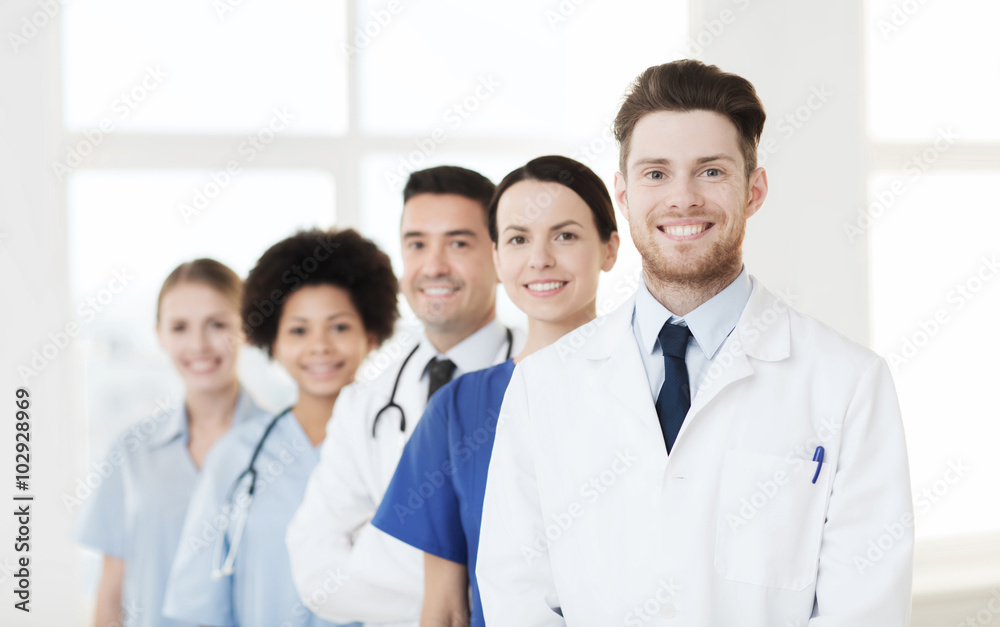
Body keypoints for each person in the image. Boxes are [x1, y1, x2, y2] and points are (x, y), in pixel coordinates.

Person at [477, 60, 914, 625]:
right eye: (656, 174)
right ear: (625, 194)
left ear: (754, 190)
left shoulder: (848, 383)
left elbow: (864, 609)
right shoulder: (544, 385)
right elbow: (517, 593)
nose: (682, 199)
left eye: (710, 172)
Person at [372, 155, 619, 627]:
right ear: (498, 258)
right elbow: (445, 609)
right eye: (518, 239)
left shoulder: (659, 386)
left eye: (565, 235)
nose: (540, 258)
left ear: (609, 249)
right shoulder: (459, 410)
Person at [285, 166, 523, 626]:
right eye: (416, 244)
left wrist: (379, 552)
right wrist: (461, 590)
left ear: (497, 254)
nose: (433, 266)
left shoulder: (541, 378)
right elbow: (315, 568)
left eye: (458, 243)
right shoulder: (364, 404)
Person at [162, 229, 398, 627]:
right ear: (273, 341)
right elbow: (195, 608)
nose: (319, 346)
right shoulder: (236, 457)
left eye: (339, 327)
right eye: (299, 330)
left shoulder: (400, 450)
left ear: (370, 335)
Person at [73, 259, 269, 627]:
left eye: (217, 325)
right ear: (160, 335)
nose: (198, 344)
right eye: (180, 327)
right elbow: (111, 594)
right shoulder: (131, 451)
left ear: (246, 326)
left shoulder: (281, 445)